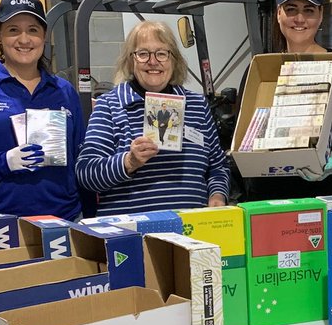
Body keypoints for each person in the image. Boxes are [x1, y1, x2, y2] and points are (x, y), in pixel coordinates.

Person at [0, 0, 89, 220]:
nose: (24, 40)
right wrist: (3, 161)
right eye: (13, 30)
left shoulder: (64, 91)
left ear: (44, 36)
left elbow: (79, 157)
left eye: (33, 30)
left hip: (64, 217)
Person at [75, 20, 228, 214]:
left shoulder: (196, 105)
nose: (153, 61)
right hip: (134, 233)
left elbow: (218, 166)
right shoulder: (110, 105)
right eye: (143, 54)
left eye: (162, 53)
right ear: (131, 60)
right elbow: (86, 172)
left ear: (174, 60)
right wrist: (129, 162)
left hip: (193, 228)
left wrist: (217, 195)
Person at [241, 0, 332, 199]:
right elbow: (246, 132)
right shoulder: (259, 69)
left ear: (320, 16)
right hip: (269, 196)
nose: (299, 19)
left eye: (308, 11)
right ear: (278, 13)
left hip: (327, 195)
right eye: (291, 10)